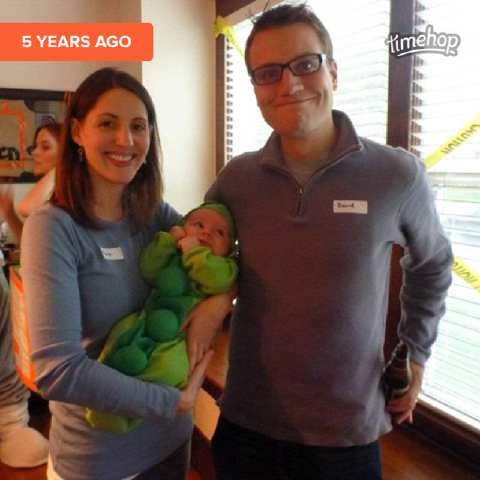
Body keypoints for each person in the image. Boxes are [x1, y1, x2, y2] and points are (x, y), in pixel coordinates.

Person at [200, 4, 454, 479]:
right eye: (268, 73)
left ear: (332, 71)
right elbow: (201, 263)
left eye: (305, 64)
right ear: (255, 89)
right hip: (247, 424)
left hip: (345, 435)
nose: (288, 85)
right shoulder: (236, 180)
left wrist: (415, 355)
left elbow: (433, 266)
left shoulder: (396, 175)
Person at [21, 68, 232, 480]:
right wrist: (169, 402)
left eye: (138, 126)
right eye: (107, 124)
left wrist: (220, 302)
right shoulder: (53, 228)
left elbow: (226, 262)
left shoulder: (154, 214)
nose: (125, 140)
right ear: (77, 132)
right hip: (99, 460)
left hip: (171, 444)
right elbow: (57, 371)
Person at [87, 201, 238, 433]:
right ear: (183, 226)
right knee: (120, 335)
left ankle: (131, 411)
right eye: (198, 225)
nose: (207, 233)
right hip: (146, 320)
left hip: (180, 338)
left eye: (220, 233)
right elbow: (149, 268)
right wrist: (168, 241)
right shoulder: (174, 250)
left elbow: (217, 281)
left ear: (230, 249)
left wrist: (194, 252)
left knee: (170, 369)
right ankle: (104, 404)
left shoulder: (223, 266)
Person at [0, 118, 61, 468]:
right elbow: (31, 243)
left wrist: (61, 165)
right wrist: (8, 212)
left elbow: (28, 209)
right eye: (34, 145)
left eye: (45, 146)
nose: (35, 152)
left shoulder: (61, 190)